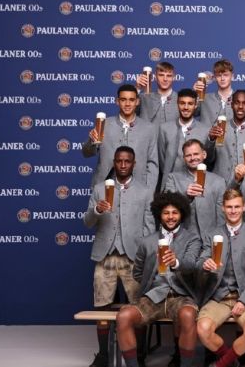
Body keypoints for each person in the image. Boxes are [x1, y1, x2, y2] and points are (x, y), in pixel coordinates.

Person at [83, 146, 155, 367]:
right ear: (114, 162)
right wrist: (96, 210)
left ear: (134, 163)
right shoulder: (99, 189)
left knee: (138, 307)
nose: (123, 165)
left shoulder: (144, 191)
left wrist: (145, 255)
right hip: (105, 256)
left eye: (127, 161)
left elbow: (149, 227)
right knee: (102, 307)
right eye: (119, 161)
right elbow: (87, 222)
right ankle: (103, 354)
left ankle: (139, 355)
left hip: (133, 257)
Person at [115, 192, 201, 367]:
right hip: (153, 296)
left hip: (180, 295)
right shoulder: (147, 242)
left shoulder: (192, 238)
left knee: (187, 314)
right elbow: (137, 273)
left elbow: (192, 265)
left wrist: (176, 262)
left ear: (181, 214)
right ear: (159, 215)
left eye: (174, 212)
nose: (170, 217)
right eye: (166, 213)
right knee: (123, 316)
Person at [196, 189, 245, 367]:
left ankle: (220, 365)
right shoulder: (212, 234)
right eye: (229, 207)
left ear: (244, 207)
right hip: (218, 296)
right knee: (203, 329)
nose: (233, 211)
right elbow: (201, 259)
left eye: (236, 206)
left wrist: (244, 301)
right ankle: (231, 361)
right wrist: (204, 264)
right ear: (223, 208)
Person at [82, 84, 159, 191]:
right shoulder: (104, 124)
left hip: (137, 188)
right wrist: (91, 141)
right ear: (117, 101)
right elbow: (86, 153)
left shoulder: (149, 128)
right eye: (123, 100)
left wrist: (149, 191)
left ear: (137, 102)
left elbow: (152, 163)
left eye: (131, 100)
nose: (127, 104)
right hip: (105, 186)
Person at [163, 139, 227, 235]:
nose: (192, 158)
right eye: (188, 155)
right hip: (183, 238)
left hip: (209, 238)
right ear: (184, 158)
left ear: (204, 155)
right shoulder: (173, 178)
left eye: (196, 154)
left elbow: (221, 216)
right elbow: (168, 208)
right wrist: (186, 197)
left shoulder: (219, 181)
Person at [207, 89, 245, 184]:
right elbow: (209, 159)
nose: (240, 106)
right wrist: (210, 140)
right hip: (222, 184)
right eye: (237, 103)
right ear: (231, 105)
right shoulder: (218, 127)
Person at [157, 88, 212, 189]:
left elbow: (209, 160)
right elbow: (162, 161)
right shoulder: (165, 128)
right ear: (177, 104)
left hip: (198, 185)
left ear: (195, 105)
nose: (186, 107)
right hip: (171, 185)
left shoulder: (205, 130)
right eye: (182, 103)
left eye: (190, 104)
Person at [195, 59, 236, 126]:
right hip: (206, 136)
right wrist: (194, 94)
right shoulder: (205, 99)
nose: (222, 78)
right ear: (214, 77)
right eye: (219, 75)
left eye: (226, 75)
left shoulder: (240, 100)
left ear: (232, 76)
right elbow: (191, 113)